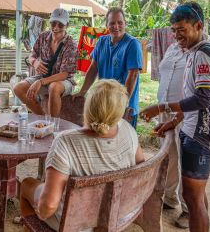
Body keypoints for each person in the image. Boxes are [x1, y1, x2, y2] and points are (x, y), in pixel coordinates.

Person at [140, 2, 210, 232]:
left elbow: (203, 100)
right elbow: (193, 97)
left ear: (198, 25)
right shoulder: (193, 52)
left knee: (193, 197)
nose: (177, 36)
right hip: (191, 128)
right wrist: (175, 119)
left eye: (182, 30)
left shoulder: (203, 55)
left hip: (200, 134)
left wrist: (162, 107)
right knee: (195, 195)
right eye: (174, 30)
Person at [20, 79, 144, 231]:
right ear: (119, 112)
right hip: (119, 213)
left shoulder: (65, 141)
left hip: (76, 223)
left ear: (88, 106)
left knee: (26, 184)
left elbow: (48, 207)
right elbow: (140, 168)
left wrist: (41, 208)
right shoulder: (128, 130)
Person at [72, 7, 142, 128]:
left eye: (120, 22)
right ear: (106, 25)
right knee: (104, 141)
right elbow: (93, 68)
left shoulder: (132, 44)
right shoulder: (102, 41)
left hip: (123, 105)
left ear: (125, 23)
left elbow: (133, 74)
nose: (116, 26)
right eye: (112, 23)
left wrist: (123, 101)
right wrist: (82, 91)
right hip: (104, 104)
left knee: (124, 143)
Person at [13, 8, 77, 117]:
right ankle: (42, 117)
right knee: (18, 88)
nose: (56, 28)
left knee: (53, 87)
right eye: (53, 23)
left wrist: (41, 82)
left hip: (64, 80)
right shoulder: (43, 36)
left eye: (60, 25)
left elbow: (64, 74)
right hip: (42, 77)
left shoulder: (70, 44)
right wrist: (35, 62)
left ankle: (53, 122)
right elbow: (32, 55)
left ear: (67, 25)